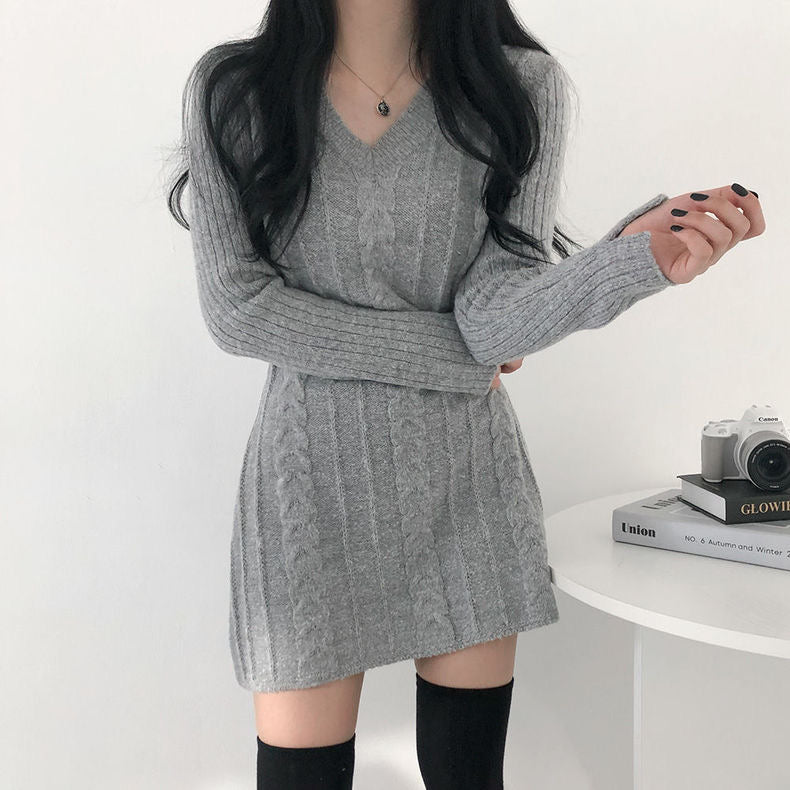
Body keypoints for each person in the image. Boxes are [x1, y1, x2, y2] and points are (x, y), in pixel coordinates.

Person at [167, 1, 765, 787]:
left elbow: (494, 316)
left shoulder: (517, 86)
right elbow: (239, 310)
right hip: (307, 491)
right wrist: (448, 358)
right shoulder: (236, 90)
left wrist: (628, 263)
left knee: (468, 776)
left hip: (464, 485)